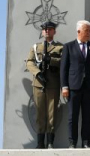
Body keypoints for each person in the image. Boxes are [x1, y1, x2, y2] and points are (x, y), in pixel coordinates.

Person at [60, 20, 90, 148]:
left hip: (89, 88)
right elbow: (64, 68)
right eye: (86, 30)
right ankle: (72, 142)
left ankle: (85, 142)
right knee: (73, 116)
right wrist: (65, 86)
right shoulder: (68, 46)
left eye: (89, 30)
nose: (89, 33)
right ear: (79, 31)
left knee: (87, 116)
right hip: (73, 87)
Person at [25, 20, 63, 148]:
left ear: (54, 31)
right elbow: (29, 62)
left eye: (50, 29)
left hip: (53, 83)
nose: (47, 31)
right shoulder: (36, 47)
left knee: (52, 114)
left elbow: (63, 62)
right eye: (45, 29)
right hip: (39, 83)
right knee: (40, 113)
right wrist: (37, 73)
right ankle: (40, 142)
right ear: (42, 31)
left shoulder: (60, 47)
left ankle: (50, 142)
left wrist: (51, 60)